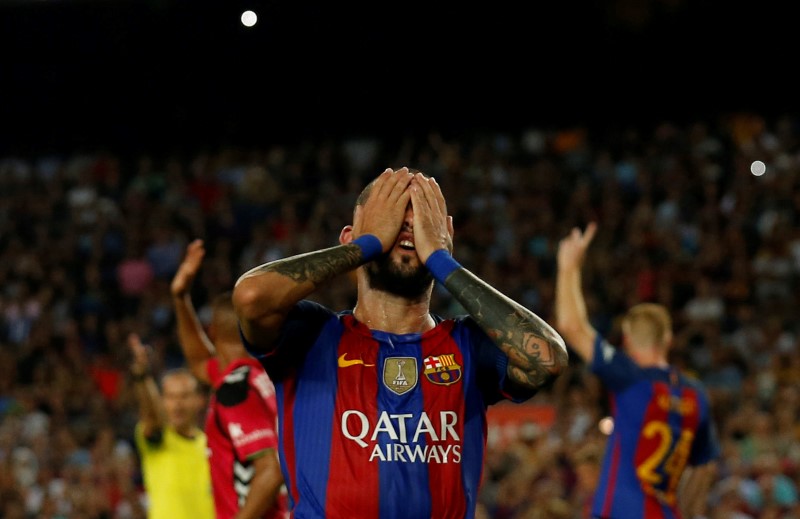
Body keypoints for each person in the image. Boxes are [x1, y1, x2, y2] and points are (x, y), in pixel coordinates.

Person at [232, 167, 569, 518]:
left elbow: (547, 361)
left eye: (419, 218)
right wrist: (369, 244)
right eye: (392, 216)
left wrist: (440, 259)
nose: (406, 225)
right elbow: (252, 297)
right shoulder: (312, 335)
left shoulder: (469, 344)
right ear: (349, 238)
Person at [554, 222, 721, 519]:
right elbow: (705, 466)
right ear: (668, 340)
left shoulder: (629, 377)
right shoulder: (697, 395)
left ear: (628, 341)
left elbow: (571, 326)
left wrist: (569, 267)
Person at [171, 238, 288, 519]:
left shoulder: (235, 389)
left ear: (212, 331)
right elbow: (199, 360)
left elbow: (271, 471)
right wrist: (180, 296)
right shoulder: (263, 376)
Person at [128, 333, 215, 519]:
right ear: (162, 401)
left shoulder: (211, 445)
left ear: (198, 400)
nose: (177, 404)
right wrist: (142, 377)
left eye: (184, 396)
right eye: (170, 397)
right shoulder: (157, 438)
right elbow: (151, 415)